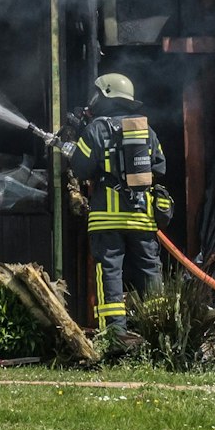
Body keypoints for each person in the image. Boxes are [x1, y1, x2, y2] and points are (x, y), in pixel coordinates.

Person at [64, 72, 172, 335]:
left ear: (106, 95)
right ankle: (157, 333)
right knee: (149, 271)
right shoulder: (146, 130)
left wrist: (76, 140)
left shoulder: (97, 129)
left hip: (107, 219)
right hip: (142, 216)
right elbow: (159, 166)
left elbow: (80, 167)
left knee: (110, 273)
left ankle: (115, 336)